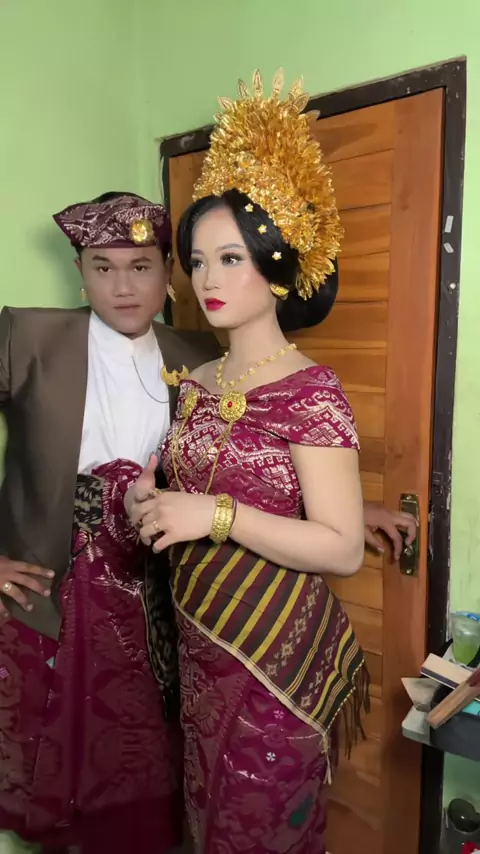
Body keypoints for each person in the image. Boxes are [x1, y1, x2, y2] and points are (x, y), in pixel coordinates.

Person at [125, 70, 409, 854]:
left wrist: (214, 515)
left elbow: (341, 547)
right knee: (204, 819)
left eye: (231, 257)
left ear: (279, 265)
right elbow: (181, 487)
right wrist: (150, 497)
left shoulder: (313, 393)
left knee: (258, 832)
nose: (207, 279)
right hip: (199, 647)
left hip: (272, 661)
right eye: (197, 260)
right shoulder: (197, 380)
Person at [0, 191, 220, 854]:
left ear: (167, 272)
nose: (123, 287)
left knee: (148, 766)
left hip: (161, 593)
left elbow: (246, 456)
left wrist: (345, 505)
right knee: (64, 769)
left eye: (141, 266)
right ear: (80, 271)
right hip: (57, 588)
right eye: (103, 267)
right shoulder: (28, 336)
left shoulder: (196, 351)